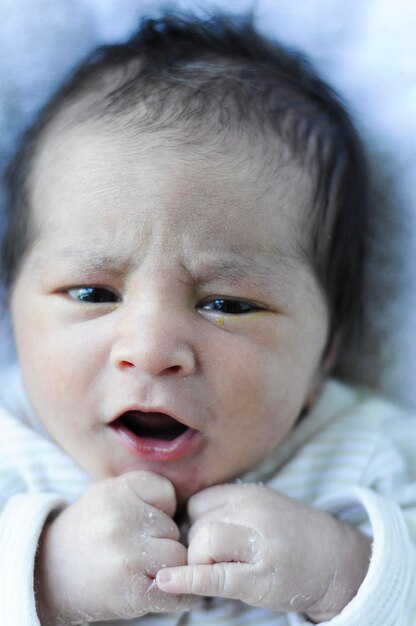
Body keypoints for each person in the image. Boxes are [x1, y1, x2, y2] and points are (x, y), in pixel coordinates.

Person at [0, 12, 415, 626]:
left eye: (227, 304)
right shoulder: (12, 452)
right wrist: (44, 577)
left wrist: (349, 574)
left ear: (326, 350)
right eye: (91, 292)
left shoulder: (368, 454)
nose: (149, 348)